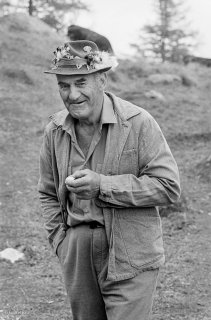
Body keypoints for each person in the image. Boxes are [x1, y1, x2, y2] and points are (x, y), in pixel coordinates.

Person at [38, 40, 181, 320]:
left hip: (131, 250)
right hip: (77, 251)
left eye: (81, 82)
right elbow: (47, 193)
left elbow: (168, 187)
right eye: (64, 86)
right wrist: (61, 241)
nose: (72, 94)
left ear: (102, 79)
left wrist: (102, 186)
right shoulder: (54, 130)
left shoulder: (139, 122)